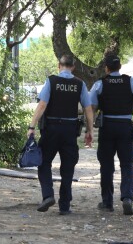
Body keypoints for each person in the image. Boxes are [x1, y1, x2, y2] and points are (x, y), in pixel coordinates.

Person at [27, 54, 94, 215]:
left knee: (43, 163)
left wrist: (32, 126)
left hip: (51, 128)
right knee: (68, 167)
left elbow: (42, 104)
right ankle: (65, 206)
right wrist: (89, 131)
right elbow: (88, 109)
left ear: (59, 65)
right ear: (73, 67)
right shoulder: (80, 84)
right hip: (70, 130)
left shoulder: (51, 81)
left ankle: (48, 195)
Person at [89, 54, 133, 215]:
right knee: (127, 164)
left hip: (107, 127)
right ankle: (127, 197)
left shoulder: (100, 84)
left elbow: (91, 106)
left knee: (106, 165)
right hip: (125, 127)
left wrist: (90, 126)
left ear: (106, 68)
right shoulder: (131, 82)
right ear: (120, 67)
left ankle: (107, 202)